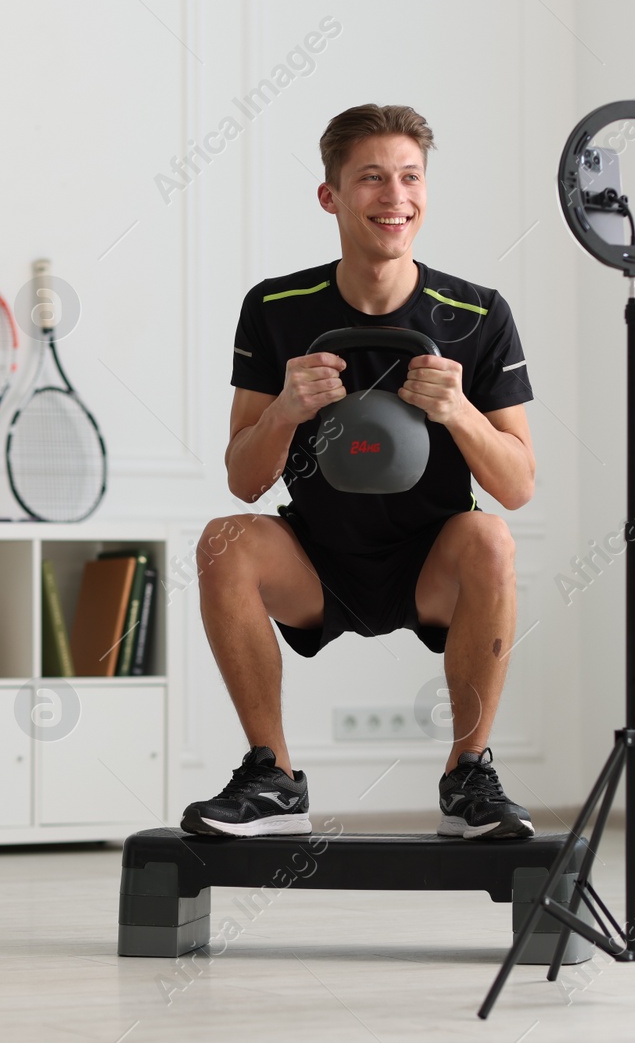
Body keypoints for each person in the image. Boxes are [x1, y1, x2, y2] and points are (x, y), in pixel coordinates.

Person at [182, 104, 538, 840]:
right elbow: (244, 481)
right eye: (371, 178)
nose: (394, 196)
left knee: (492, 537)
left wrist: (461, 411)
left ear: (426, 192)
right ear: (331, 196)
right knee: (224, 539)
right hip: (317, 559)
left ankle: (468, 773)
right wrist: (284, 410)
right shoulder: (274, 307)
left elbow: (517, 484)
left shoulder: (478, 312)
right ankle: (273, 777)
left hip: (432, 563)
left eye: (410, 177)